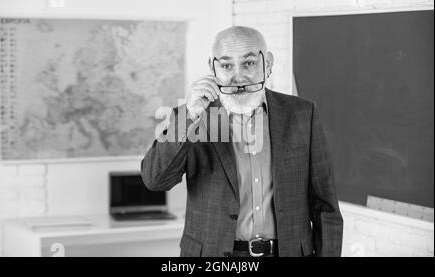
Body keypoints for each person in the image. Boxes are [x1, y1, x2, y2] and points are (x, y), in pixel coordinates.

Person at [141, 26, 343, 257]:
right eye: (227, 65)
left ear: (267, 64)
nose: (238, 76)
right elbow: (154, 180)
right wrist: (190, 116)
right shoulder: (192, 116)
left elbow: (325, 206)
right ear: (212, 68)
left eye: (249, 63)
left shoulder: (302, 113)